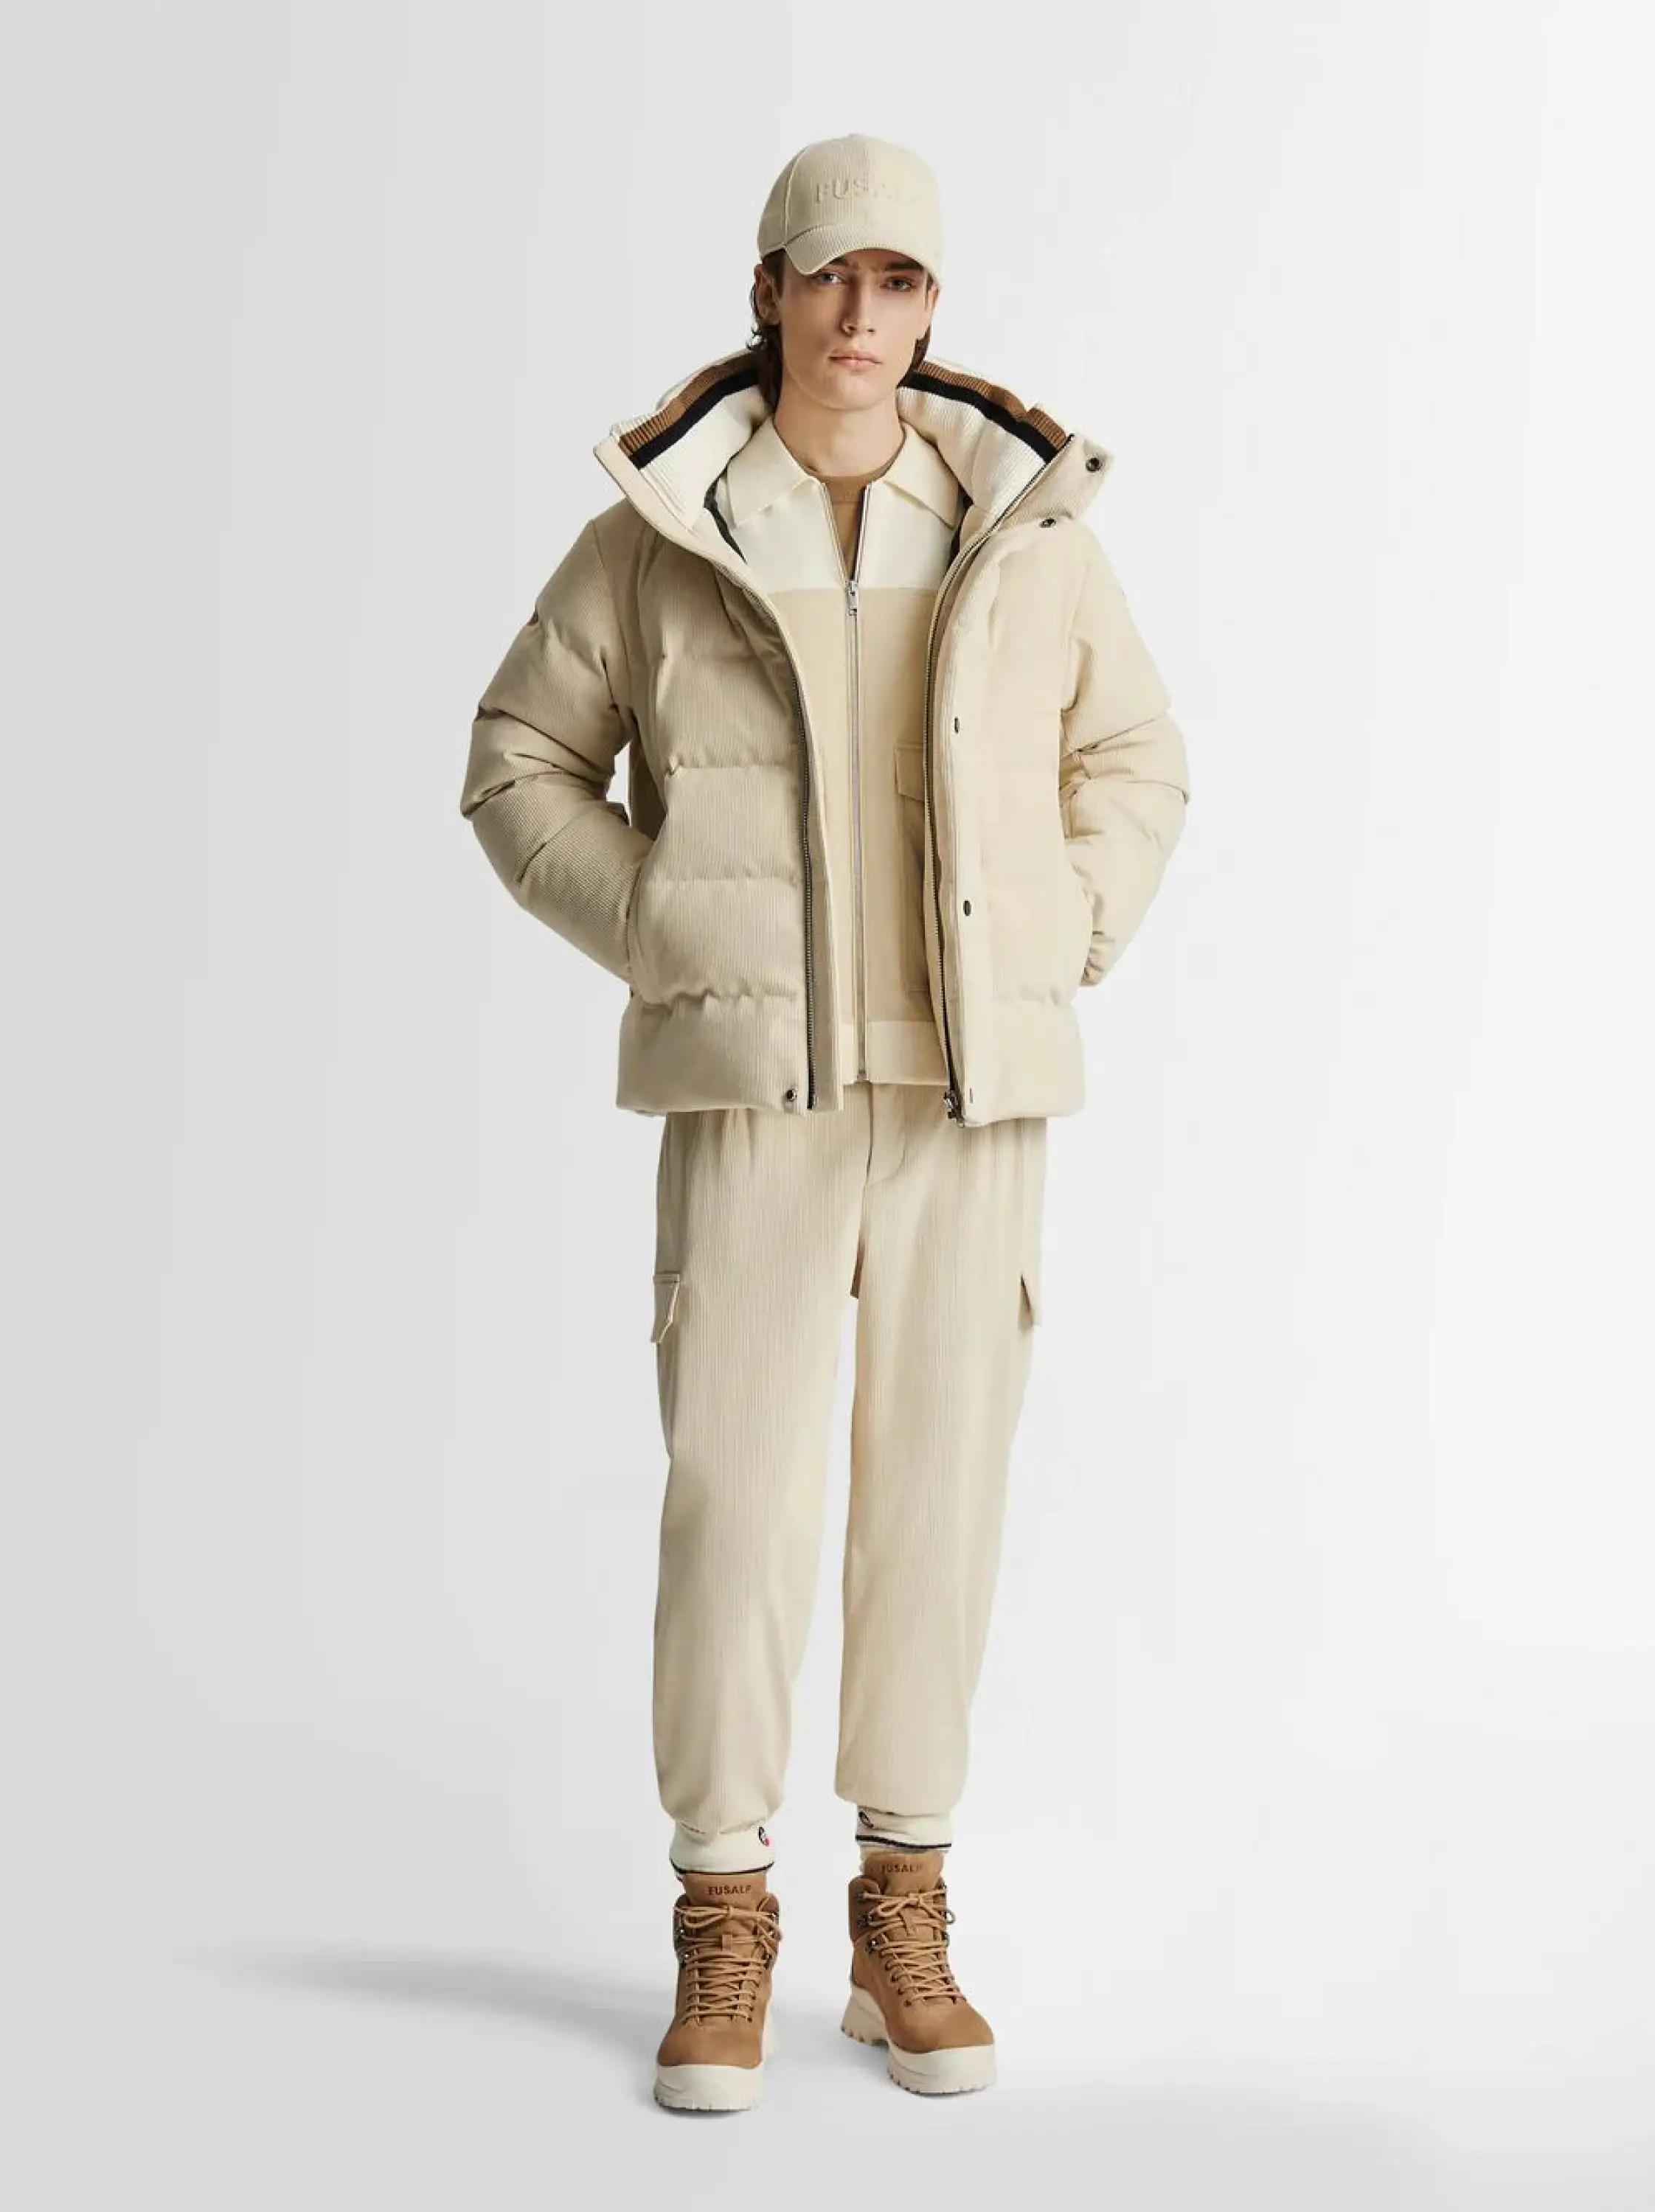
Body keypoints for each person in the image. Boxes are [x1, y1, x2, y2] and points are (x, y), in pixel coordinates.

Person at [459, 133, 1190, 2111]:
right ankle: (721, 1916)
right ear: (769, 288)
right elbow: (519, 765)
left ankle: (902, 1917)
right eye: (829, 274)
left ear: (936, 307)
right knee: (736, 1501)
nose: (864, 315)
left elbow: (1135, 755)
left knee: (938, 1496)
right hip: (754, 1094)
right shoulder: (669, 529)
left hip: (968, 1094)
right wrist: (672, 940)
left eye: (902, 280)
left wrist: (1064, 933)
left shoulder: (1021, 525)